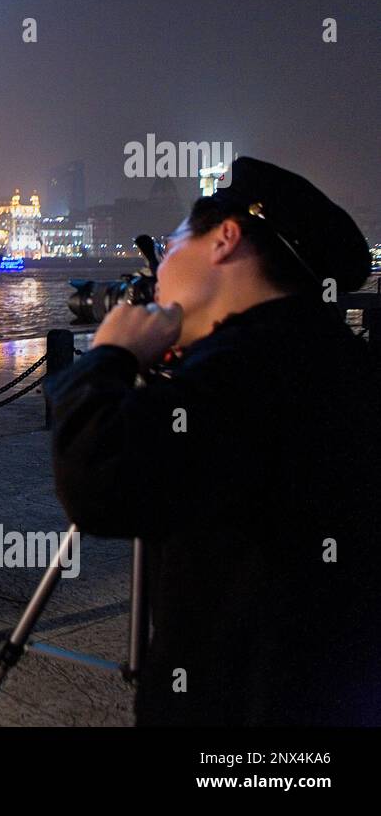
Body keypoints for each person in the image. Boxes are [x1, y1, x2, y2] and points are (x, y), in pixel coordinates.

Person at [46, 156, 381, 726]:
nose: (159, 269)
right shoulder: (326, 355)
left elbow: (96, 480)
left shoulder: (248, 371)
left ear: (225, 238)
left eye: (173, 244)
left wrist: (111, 353)